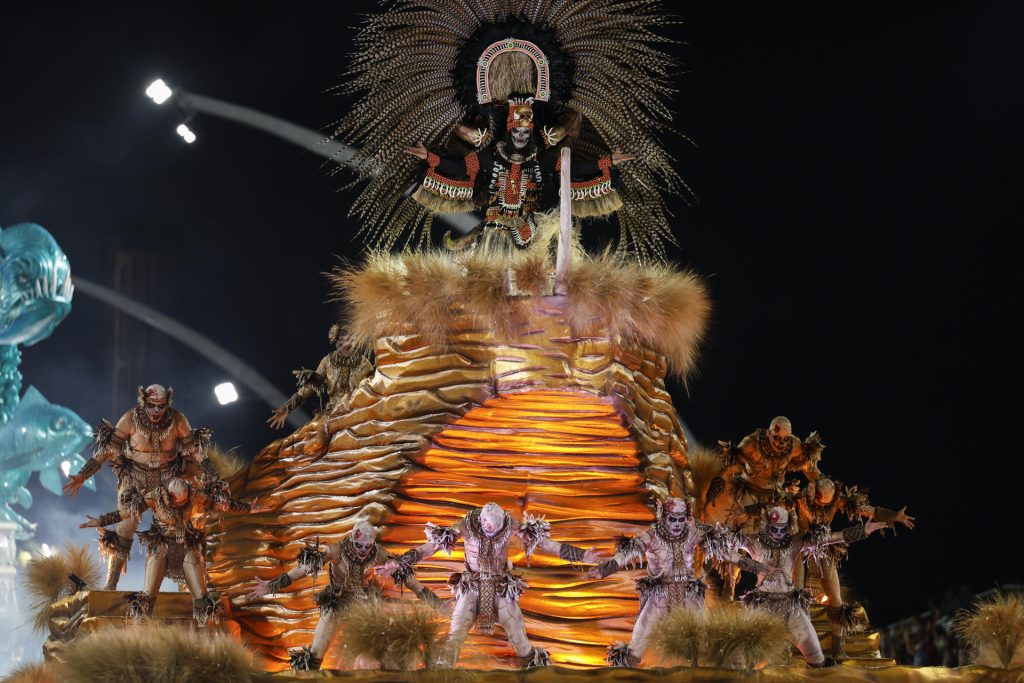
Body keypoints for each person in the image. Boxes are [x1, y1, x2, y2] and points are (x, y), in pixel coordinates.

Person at [380, 502, 602, 668]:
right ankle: (441, 675)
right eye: (487, 525)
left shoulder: (510, 524)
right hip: (472, 586)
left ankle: (536, 673)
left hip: (501, 587)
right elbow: (429, 548)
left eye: (495, 527)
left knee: (520, 639)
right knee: (455, 637)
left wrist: (582, 555)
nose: (490, 529)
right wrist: (397, 563)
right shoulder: (466, 524)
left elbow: (546, 545)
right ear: (481, 520)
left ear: (501, 523)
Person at [405, 97, 634, 251]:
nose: (521, 135)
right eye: (517, 130)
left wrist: (608, 161)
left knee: (523, 267)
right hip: (493, 228)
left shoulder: (542, 159)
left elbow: (572, 170)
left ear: (531, 131)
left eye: (525, 131)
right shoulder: (489, 157)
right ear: (509, 130)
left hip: (527, 229)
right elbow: (459, 169)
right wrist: (428, 157)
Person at [64, 384, 215, 589]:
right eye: (152, 405)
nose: (156, 411)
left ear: (167, 403)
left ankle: (191, 586)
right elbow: (107, 451)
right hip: (134, 478)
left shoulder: (178, 420)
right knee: (126, 524)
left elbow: (195, 451)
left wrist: (213, 475)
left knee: (176, 527)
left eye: (161, 406)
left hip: (167, 480)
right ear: (143, 402)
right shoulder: (130, 418)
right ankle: (111, 583)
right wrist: (83, 474)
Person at [246, 520, 443, 671]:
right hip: (336, 603)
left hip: (365, 606)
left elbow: (407, 578)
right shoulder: (337, 550)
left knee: (382, 652)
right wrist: (271, 586)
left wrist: (436, 602)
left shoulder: (378, 553)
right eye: (360, 546)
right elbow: (302, 570)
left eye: (368, 546)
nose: (364, 551)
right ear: (352, 539)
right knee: (315, 653)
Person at [82, 476, 269, 624]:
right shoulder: (155, 497)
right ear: (170, 496)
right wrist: (100, 521)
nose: (182, 504)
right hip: (161, 546)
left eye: (185, 500)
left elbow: (223, 504)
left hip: (186, 546)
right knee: (147, 596)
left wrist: (248, 509)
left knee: (201, 597)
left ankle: (204, 631)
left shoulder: (195, 495)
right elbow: (126, 513)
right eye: (179, 501)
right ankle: (140, 630)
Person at [726, 505, 886, 668]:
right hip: (761, 606)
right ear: (766, 525)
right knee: (738, 661)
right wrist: (758, 567)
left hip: (790, 606)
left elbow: (831, 538)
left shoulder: (795, 542)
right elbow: (725, 548)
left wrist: (863, 531)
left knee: (817, 659)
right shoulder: (754, 541)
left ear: (788, 526)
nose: (779, 534)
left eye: (783, 529)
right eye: (774, 529)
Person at [587, 497, 733, 667]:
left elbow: (727, 551)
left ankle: (711, 674)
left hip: (688, 592)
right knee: (639, 641)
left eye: (681, 519)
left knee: (706, 639)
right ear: (663, 517)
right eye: (672, 519)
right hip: (659, 596)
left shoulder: (693, 533)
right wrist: (604, 570)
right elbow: (626, 554)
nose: (677, 524)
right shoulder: (651, 537)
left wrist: (757, 567)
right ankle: (623, 673)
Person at [793, 478, 915, 657]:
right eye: (820, 500)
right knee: (798, 596)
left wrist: (894, 516)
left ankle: (838, 649)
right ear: (814, 494)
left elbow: (868, 510)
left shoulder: (838, 499)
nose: (823, 504)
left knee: (836, 599)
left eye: (827, 501)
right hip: (800, 546)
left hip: (826, 543)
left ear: (834, 496)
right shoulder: (801, 498)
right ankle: (802, 648)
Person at [268, 324, 373, 429]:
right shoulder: (327, 361)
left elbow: (376, 388)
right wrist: (287, 408)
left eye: (351, 335)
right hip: (333, 415)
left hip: (357, 415)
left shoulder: (364, 363)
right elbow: (310, 387)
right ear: (337, 339)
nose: (349, 338)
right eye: (345, 336)